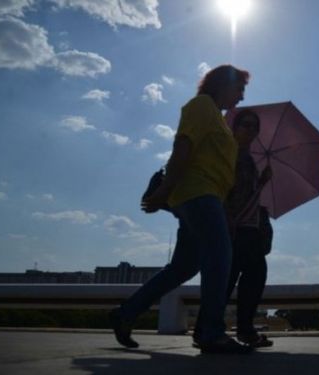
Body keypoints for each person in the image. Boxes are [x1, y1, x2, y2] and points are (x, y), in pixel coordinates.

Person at [109, 64, 253, 354]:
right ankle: (210, 331)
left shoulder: (217, 118)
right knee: (220, 255)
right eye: (239, 89)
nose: (240, 97)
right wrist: (163, 190)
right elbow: (183, 148)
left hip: (207, 197)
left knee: (183, 267)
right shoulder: (201, 106)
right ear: (223, 85)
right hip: (198, 194)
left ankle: (126, 313)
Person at [223, 110, 274, 348]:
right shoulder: (229, 153)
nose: (251, 130)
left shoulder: (248, 158)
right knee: (242, 275)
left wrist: (262, 182)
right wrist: (226, 216)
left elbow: (248, 194)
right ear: (234, 126)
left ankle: (238, 328)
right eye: (246, 125)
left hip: (248, 227)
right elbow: (222, 186)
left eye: (255, 126)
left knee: (243, 275)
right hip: (235, 226)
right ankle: (240, 329)